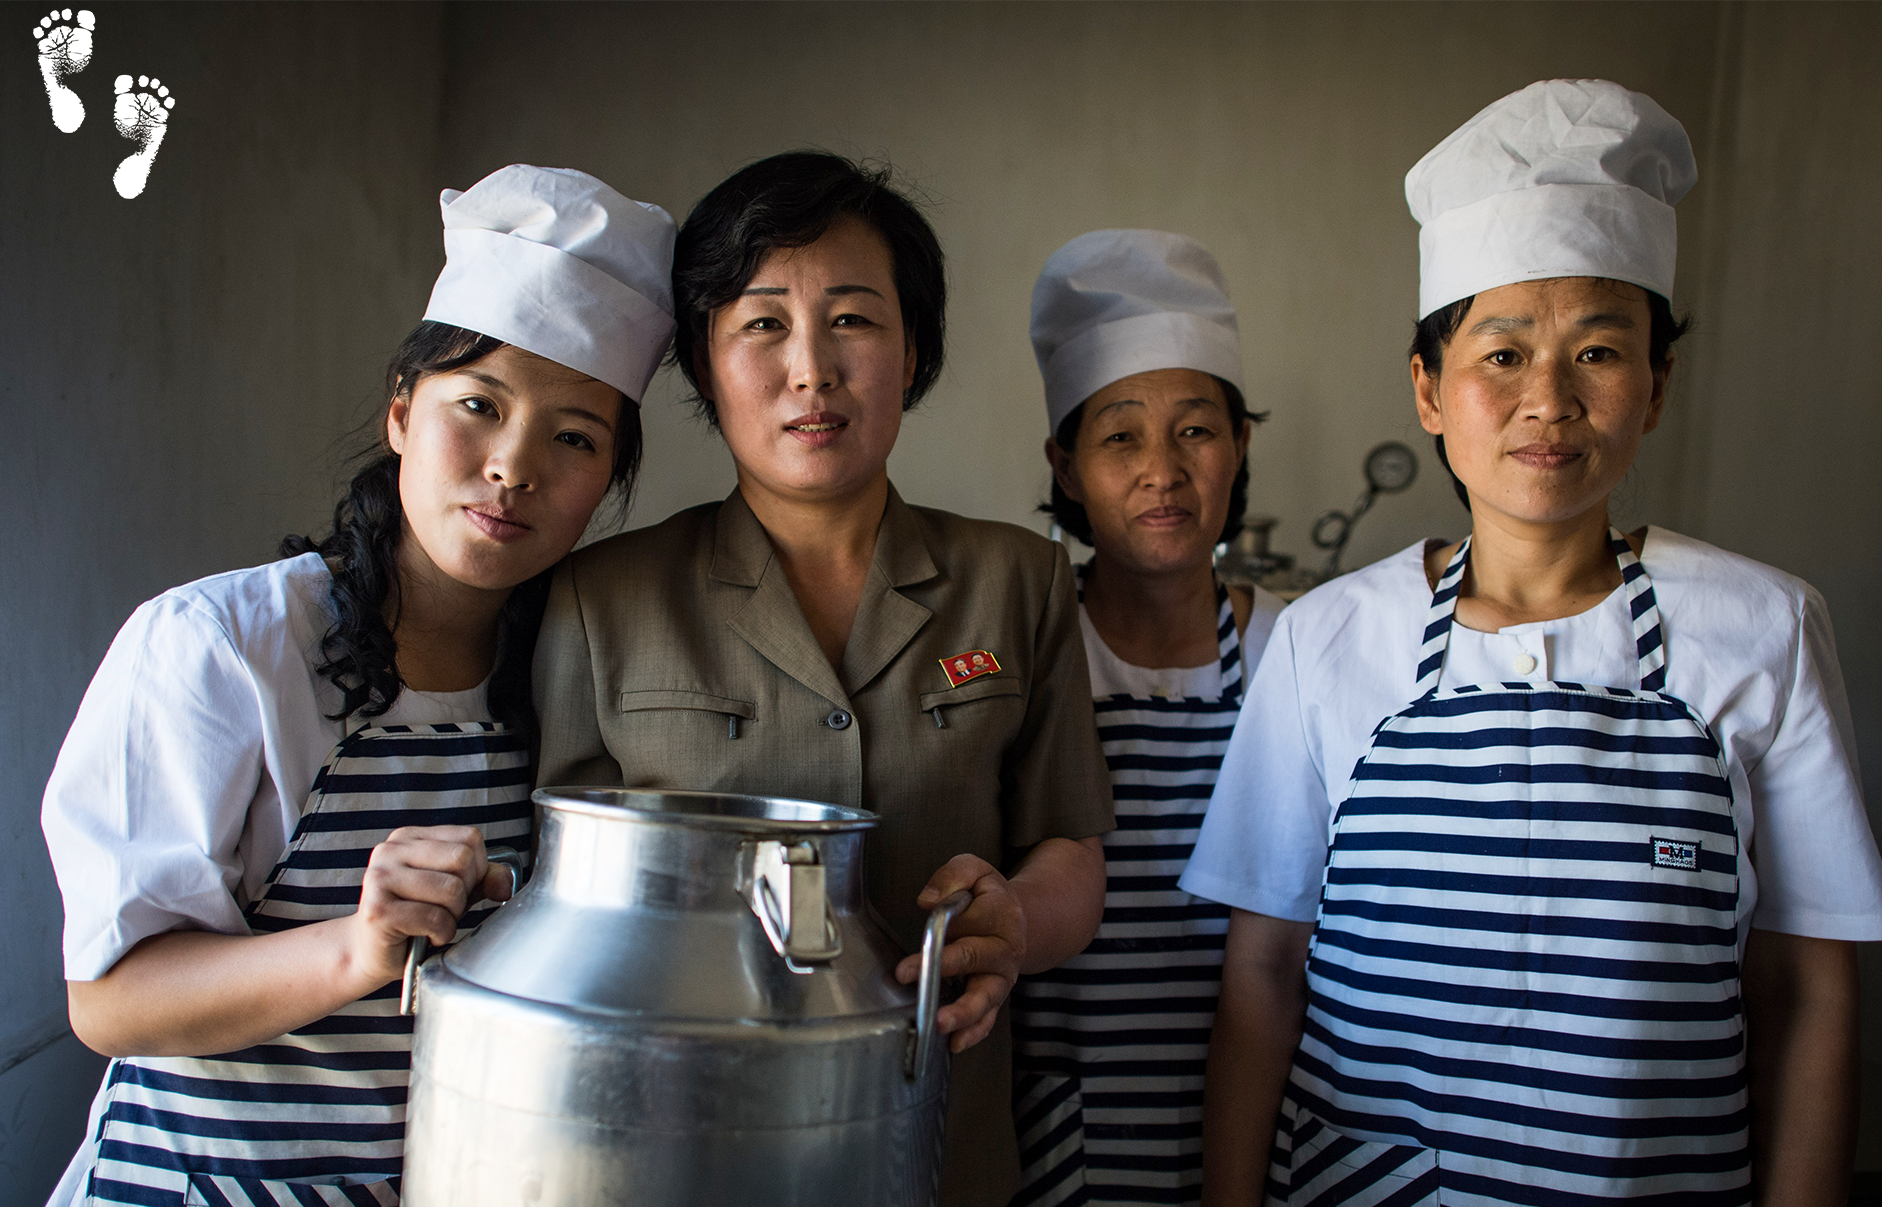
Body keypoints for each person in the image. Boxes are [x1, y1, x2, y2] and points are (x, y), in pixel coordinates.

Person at [1182, 79, 1882, 1205]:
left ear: (1655, 387)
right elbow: (1263, 973)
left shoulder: (1761, 628)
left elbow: (1808, 987)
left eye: (1599, 353)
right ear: (1428, 389)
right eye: (1501, 355)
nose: (1547, 401)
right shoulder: (1327, 641)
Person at [40, 164, 677, 1205]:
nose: (513, 467)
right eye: (478, 404)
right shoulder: (223, 647)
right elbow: (111, 1001)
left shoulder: (576, 667)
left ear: (605, 483)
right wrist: (359, 946)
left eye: (574, 437)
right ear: (398, 414)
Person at [532, 151, 1114, 1207]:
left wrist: (1016, 920)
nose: (811, 368)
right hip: (678, 1153)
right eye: (762, 323)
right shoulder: (600, 600)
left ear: (913, 349)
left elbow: (1069, 848)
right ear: (703, 363)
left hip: (940, 1142)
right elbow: (558, 900)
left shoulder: (1014, 581)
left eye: (853, 319)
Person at [1009, 230, 1286, 1206]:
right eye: (1120, 434)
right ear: (1067, 462)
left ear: (1239, 443)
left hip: (1253, 1125)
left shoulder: (1295, 650)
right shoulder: (1015, 646)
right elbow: (944, 675)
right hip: (1062, 1131)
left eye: (1196, 429)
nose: (1162, 468)